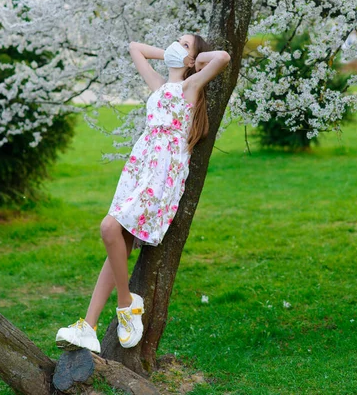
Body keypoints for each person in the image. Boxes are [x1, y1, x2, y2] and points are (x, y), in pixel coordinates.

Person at [55, 34, 230, 354]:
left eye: (184, 44)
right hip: (140, 166)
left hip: (164, 171)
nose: (176, 45)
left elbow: (222, 58)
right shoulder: (160, 85)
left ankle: (127, 304)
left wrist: (194, 61)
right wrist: (173, 54)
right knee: (117, 238)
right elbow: (134, 48)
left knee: (109, 227)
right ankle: (89, 327)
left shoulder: (190, 88)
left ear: (191, 60)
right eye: (176, 42)